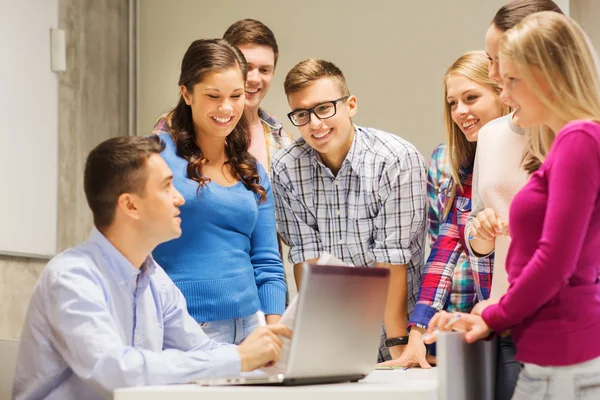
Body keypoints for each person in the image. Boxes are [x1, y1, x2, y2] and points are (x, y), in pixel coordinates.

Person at [12, 136, 291, 400]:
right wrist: (238, 358)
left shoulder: (154, 277)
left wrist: (268, 357)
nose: (179, 198)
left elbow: (201, 348)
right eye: (167, 186)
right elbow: (117, 371)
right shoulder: (72, 278)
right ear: (130, 205)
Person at [428, 11, 600, 400]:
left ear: (544, 77)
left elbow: (555, 259)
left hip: (565, 363)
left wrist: (492, 315)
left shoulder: (579, 140)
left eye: (510, 81)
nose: (502, 95)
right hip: (546, 358)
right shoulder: (565, 144)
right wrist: (485, 312)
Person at [271, 58, 427, 362]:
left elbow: (392, 258)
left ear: (350, 105)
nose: (315, 123)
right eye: (302, 114)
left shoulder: (395, 159)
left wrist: (397, 342)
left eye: (324, 108)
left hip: (405, 325)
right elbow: (308, 261)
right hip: (341, 330)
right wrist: (321, 341)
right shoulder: (286, 167)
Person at [152, 39, 287, 345]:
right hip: (184, 325)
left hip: (251, 326)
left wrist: (272, 328)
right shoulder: (155, 156)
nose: (226, 108)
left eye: (236, 96)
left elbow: (267, 260)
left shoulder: (252, 171)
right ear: (186, 93)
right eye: (213, 96)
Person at [381, 51, 507, 369]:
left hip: (517, 318)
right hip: (459, 321)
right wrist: (417, 334)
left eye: (471, 97)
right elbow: (444, 249)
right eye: (453, 102)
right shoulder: (449, 163)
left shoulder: (527, 155)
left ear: (502, 93)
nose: (460, 111)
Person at [465, 1, 564, 398]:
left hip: (568, 327)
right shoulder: (490, 136)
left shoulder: (579, 138)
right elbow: (476, 238)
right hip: (508, 326)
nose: (492, 76)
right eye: (489, 61)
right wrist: (481, 234)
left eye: (500, 61)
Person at [222, 18, 294, 172]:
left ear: (273, 73)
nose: (254, 79)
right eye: (246, 67)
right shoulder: (182, 127)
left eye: (264, 70)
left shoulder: (283, 139)